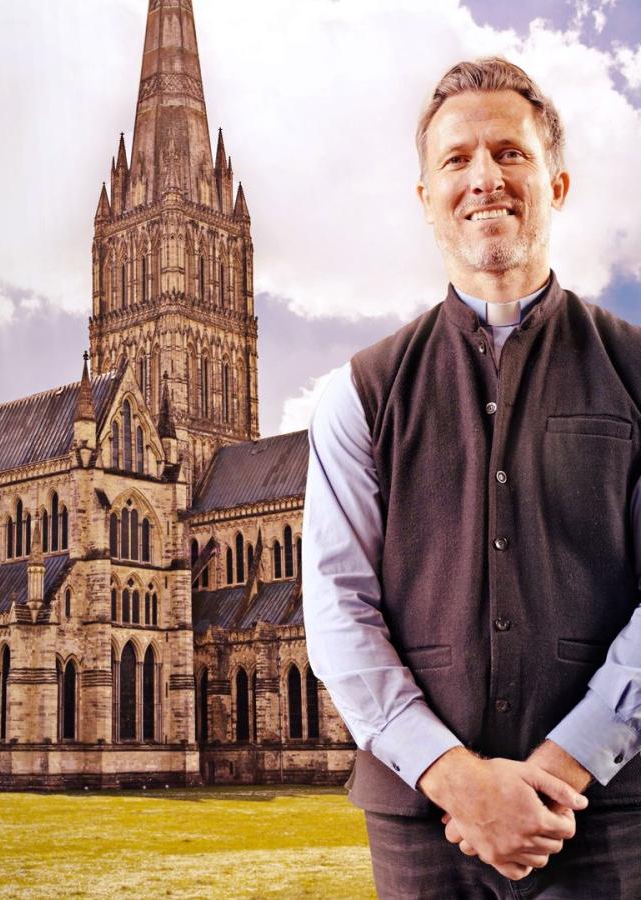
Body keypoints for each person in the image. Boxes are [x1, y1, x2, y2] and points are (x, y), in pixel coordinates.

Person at [303, 57, 641, 898]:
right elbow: (336, 610)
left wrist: (564, 768)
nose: (484, 177)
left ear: (556, 185)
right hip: (426, 824)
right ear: (425, 198)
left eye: (510, 153)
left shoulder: (636, 372)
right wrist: (454, 777)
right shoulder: (356, 393)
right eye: (456, 159)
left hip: (612, 820)